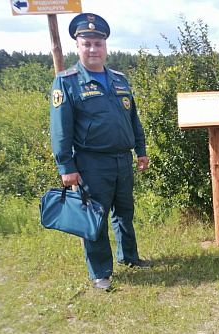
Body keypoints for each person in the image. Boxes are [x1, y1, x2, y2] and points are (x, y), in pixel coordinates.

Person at [50, 13, 150, 290]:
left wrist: (140, 150)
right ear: (78, 47)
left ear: (106, 47)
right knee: (95, 217)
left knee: (124, 213)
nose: (93, 49)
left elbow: (133, 120)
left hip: (122, 160)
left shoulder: (119, 79)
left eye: (98, 44)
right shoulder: (67, 82)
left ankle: (129, 257)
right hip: (91, 163)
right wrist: (66, 167)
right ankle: (101, 271)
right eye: (87, 44)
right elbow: (60, 130)